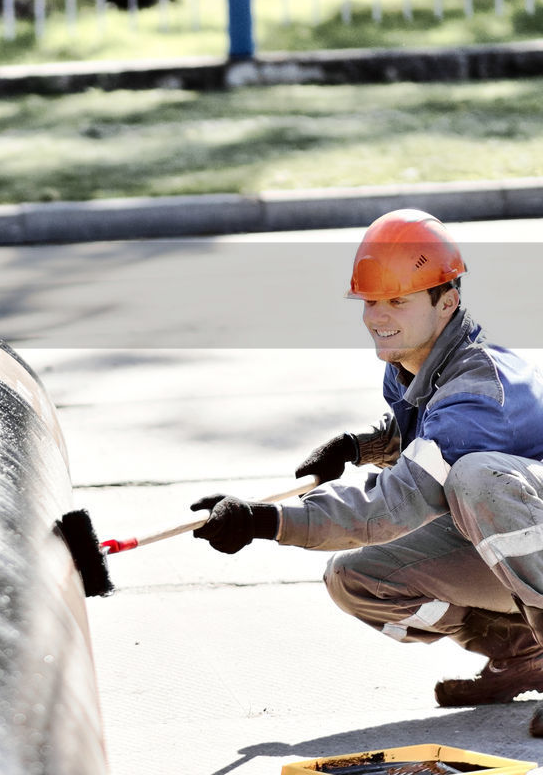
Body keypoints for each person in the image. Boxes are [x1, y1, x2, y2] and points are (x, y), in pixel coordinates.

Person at [190, 208, 543, 737]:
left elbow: (392, 508)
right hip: (515, 538)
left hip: (521, 522)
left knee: (475, 477)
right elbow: (424, 437)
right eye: (371, 301)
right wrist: (361, 447)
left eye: (397, 300)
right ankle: (522, 654)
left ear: (446, 301)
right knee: (357, 579)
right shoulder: (414, 362)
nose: (377, 316)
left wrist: (267, 521)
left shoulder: (479, 394)